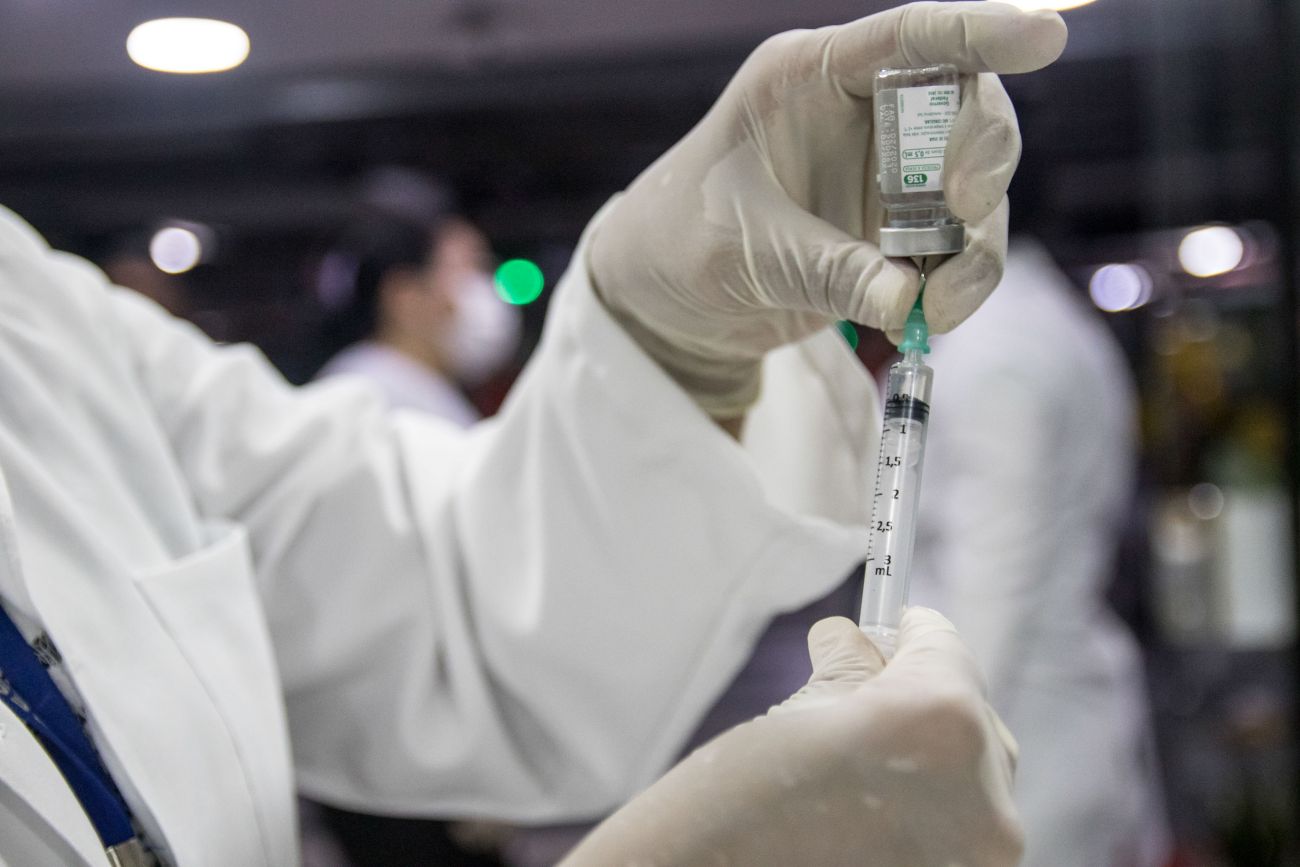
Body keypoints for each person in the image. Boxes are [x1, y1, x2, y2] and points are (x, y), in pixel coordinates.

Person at [0, 4, 1066, 865]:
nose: (481, 296)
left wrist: (668, 352)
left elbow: (445, 608)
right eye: (463, 270)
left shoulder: (34, 313)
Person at [905, 240, 1172, 867]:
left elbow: (993, 579)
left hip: (1019, 748)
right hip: (1055, 728)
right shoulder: (1047, 318)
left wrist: (921, 751)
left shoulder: (1000, 350)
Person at [314, 182, 521, 426]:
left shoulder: (424, 393)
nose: (482, 291)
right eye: (466, 271)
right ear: (406, 297)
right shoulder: (366, 397)